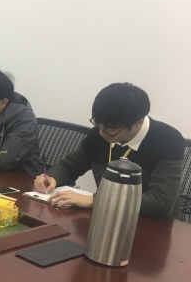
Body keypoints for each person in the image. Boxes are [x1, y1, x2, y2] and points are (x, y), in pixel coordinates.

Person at [33, 82, 184, 218]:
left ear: (138, 122)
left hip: (153, 225)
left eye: (110, 130)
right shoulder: (101, 132)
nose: (101, 133)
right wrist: (52, 177)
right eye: (98, 125)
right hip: (107, 217)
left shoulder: (167, 141)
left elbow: (161, 203)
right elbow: (71, 165)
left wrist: (95, 200)